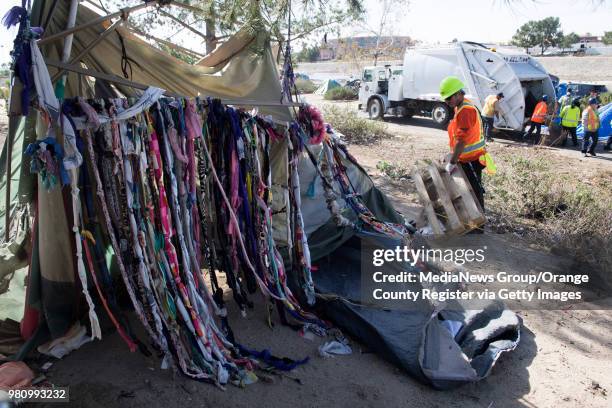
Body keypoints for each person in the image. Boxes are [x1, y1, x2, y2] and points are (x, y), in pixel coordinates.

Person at [439, 76, 489, 229]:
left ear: (458, 94)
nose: (447, 102)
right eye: (446, 100)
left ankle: (479, 226)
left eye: (449, 99)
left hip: (472, 159)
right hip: (466, 158)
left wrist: (452, 162)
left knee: (474, 191)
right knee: (468, 190)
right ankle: (471, 221)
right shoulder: (461, 107)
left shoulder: (465, 110)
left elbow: (462, 141)